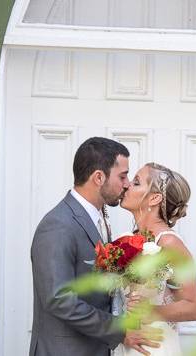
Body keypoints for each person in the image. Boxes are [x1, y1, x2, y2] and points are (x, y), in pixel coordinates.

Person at [30, 137, 162, 356]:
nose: (127, 183)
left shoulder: (99, 217)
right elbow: (59, 299)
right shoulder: (58, 225)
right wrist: (118, 330)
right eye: (122, 176)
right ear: (99, 177)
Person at [119, 162, 196, 356]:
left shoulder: (170, 243)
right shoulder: (128, 241)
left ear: (154, 198)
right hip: (129, 344)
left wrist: (151, 310)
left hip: (156, 347)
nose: (127, 185)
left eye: (136, 182)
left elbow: (194, 307)